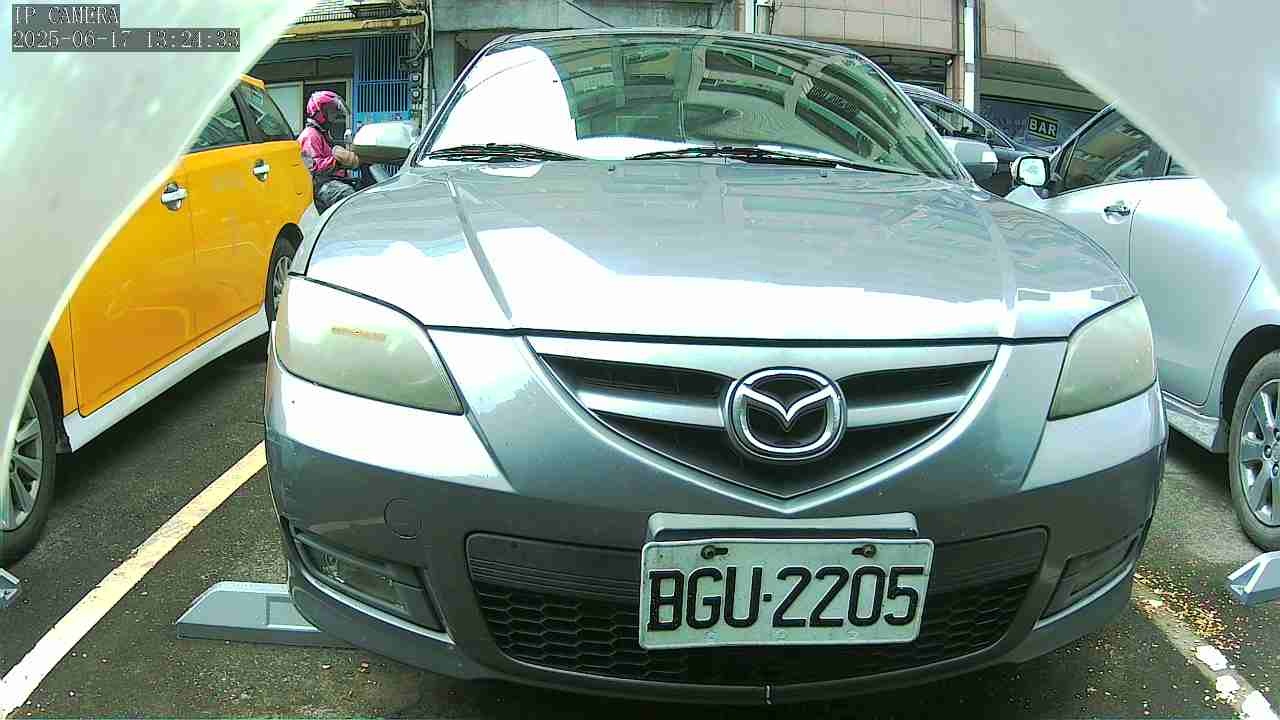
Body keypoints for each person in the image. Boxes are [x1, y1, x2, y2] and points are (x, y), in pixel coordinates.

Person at [298, 90, 361, 212]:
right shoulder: (310, 135)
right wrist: (337, 162)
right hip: (318, 184)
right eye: (331, 110)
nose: (334, 114)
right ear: (319, 112)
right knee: (347, 194)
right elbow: (312, 167)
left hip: (329, 179)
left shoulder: (323, 133)